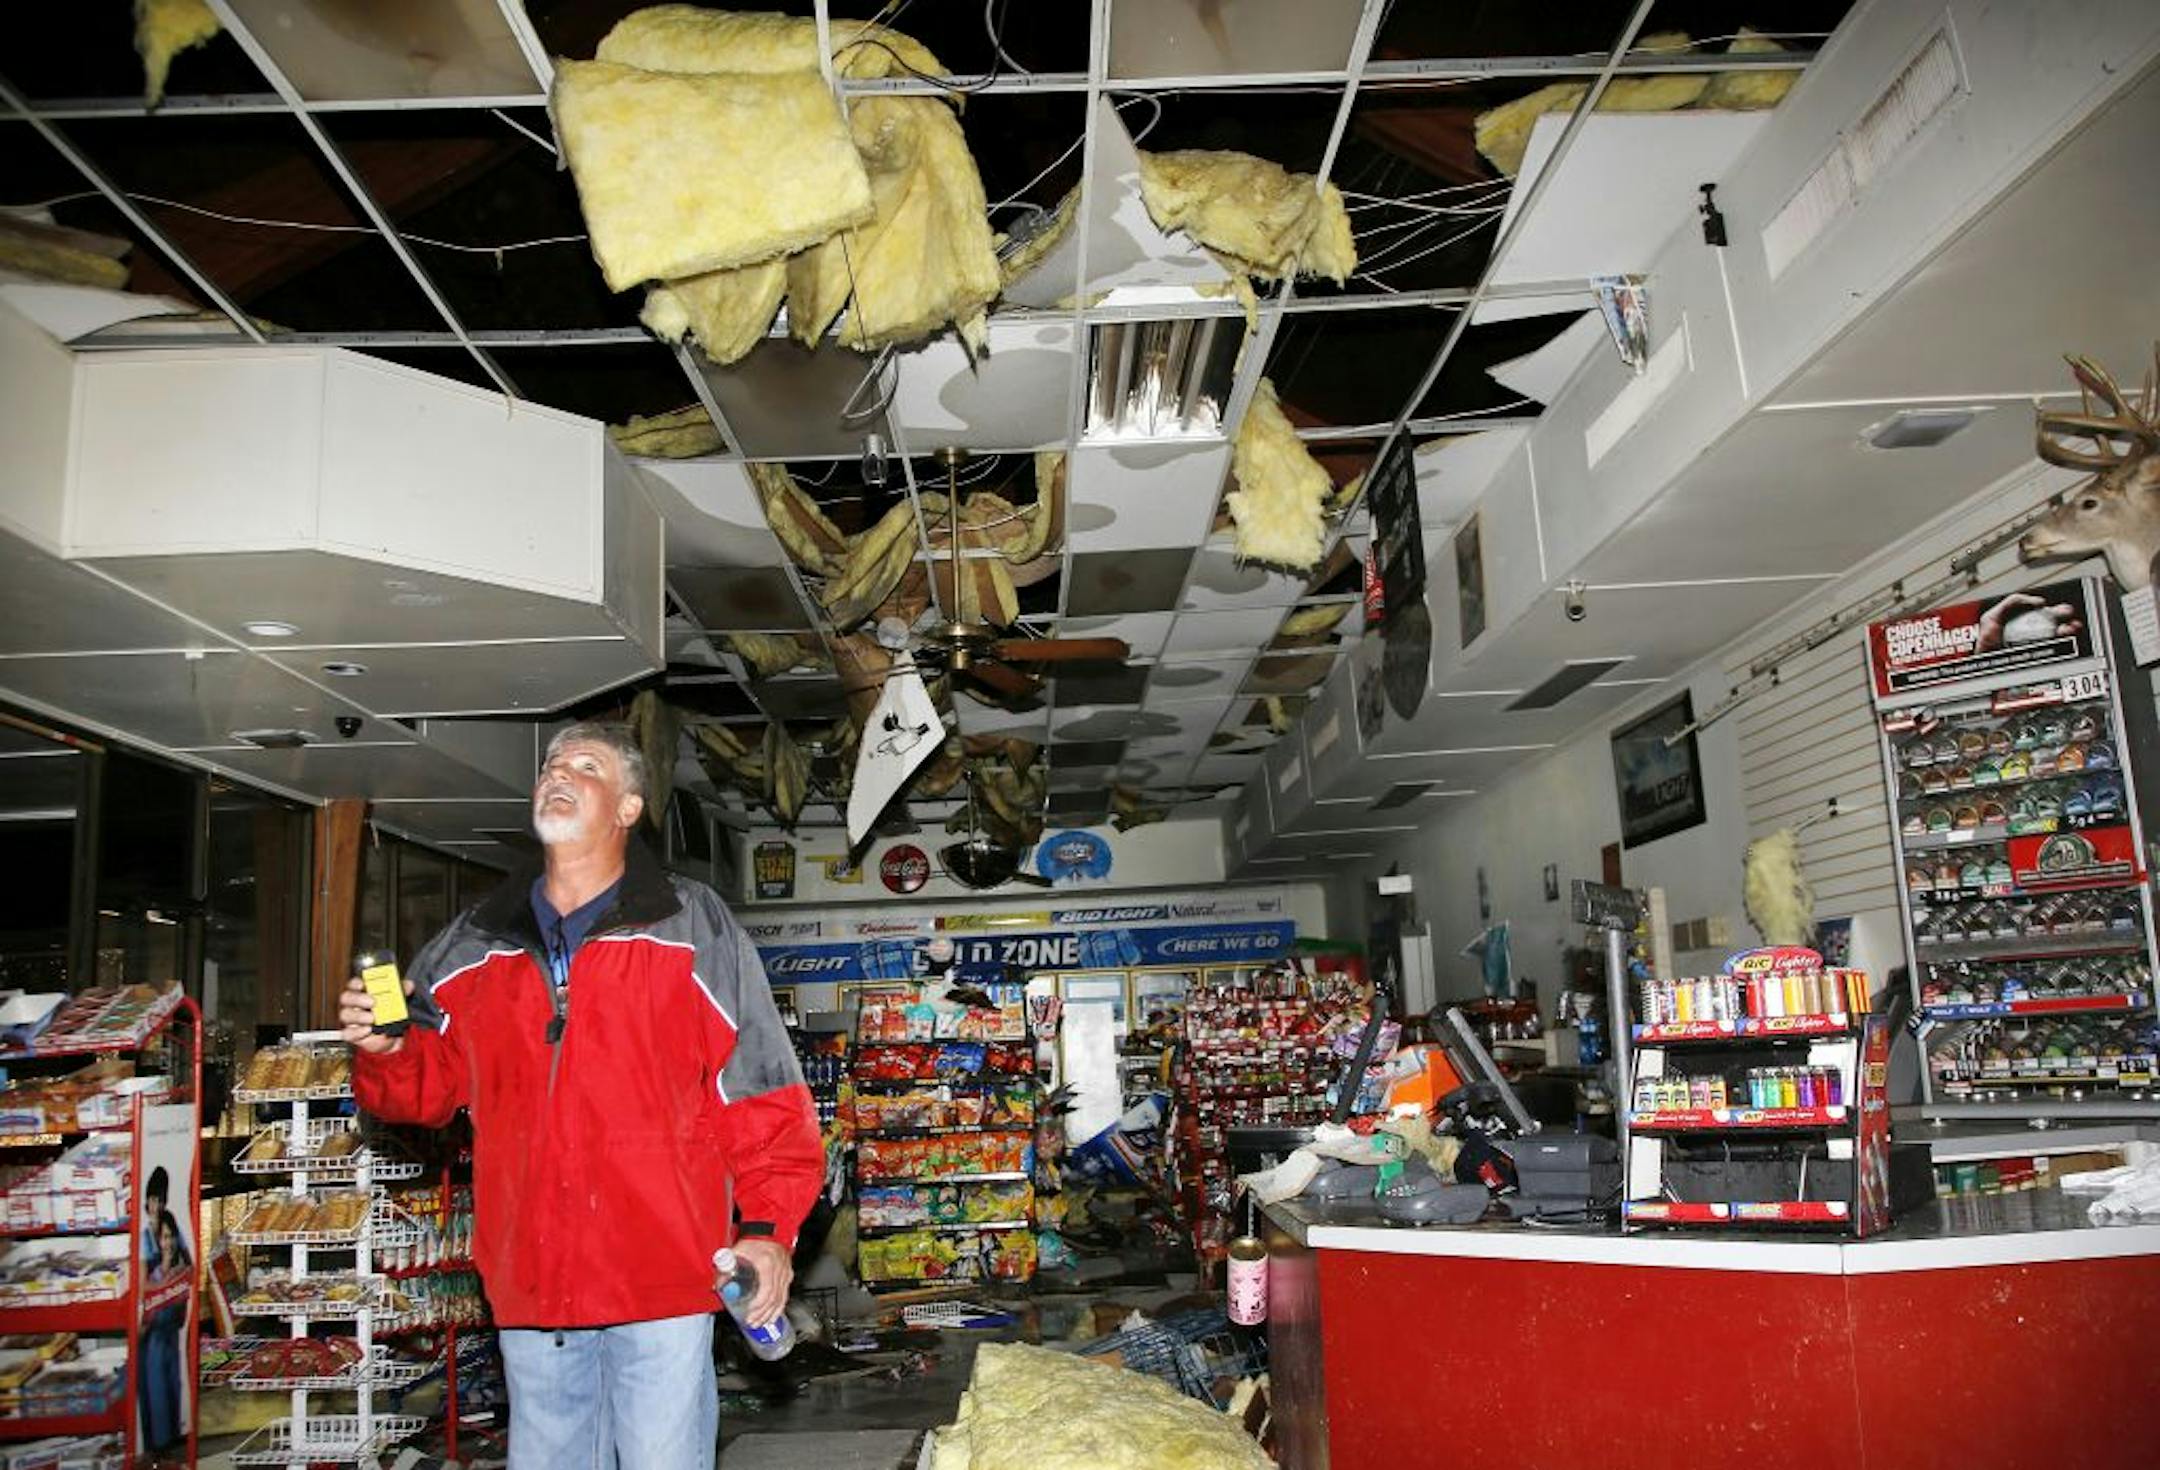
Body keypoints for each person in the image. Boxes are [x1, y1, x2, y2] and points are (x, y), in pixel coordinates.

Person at [341, 723, 821, 1470]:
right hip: (533, 1283)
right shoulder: (471, 944)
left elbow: (760, 1092)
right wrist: (385, 1052)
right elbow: (424, 1095)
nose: (557, 774)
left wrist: (767, 1228)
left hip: (662, 1273)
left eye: (586, 766)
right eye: (551, 765)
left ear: (628, 807)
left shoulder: (693, 926)